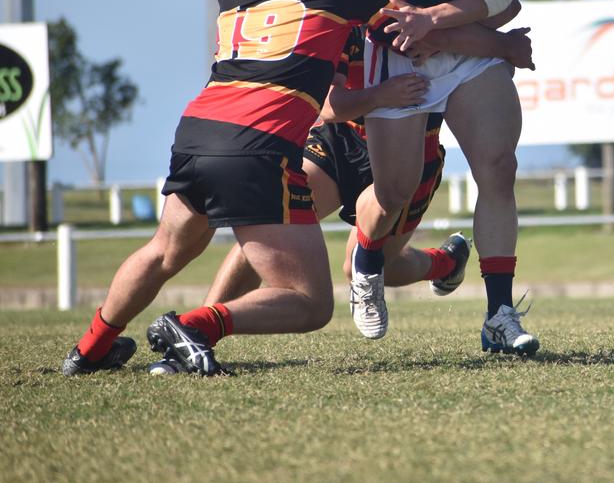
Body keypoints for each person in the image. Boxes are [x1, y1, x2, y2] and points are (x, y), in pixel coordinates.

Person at [60, 0, 394, 377]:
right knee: (309, 303)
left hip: (198, 129)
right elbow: (402, 4)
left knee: (165, 249)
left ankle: (89, 349)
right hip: (257, 144)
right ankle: (195, 326)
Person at [322, 0, 538, 355]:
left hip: (456, 40)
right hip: (391, 42)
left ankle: (498, 315)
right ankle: (366, 267)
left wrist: (433, 20)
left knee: (499, 166)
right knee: (393, 189)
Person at [194, 20, 534, 330]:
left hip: (416, 153)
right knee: (270, 230)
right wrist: (381, 96)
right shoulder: (345, 12)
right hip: (342, 141)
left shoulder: (434, 8)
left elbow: (503, 3)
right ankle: (197, 329)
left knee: (370, 266)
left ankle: (444, 265)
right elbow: (329, 108)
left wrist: (499, 43)